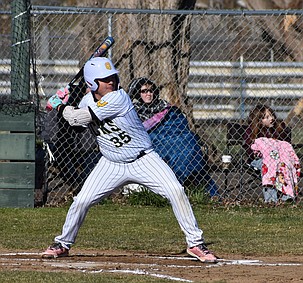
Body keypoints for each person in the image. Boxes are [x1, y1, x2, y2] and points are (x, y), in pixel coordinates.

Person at [41, 57, 218, 263]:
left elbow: (78, 118)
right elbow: (77, 126)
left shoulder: (119, 97)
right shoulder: (87, 101)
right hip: (110, 163)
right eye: (104, 79)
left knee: (175, 191)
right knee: (82, 201)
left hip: (143, 159)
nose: (111, 81)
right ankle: (63, 243)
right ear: (92, 83)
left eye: (112, 77)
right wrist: (66, 102)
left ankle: (195, 243)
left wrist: (60, 108)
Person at [127, 77, 218, 197]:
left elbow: (180, 125)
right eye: (144, 91)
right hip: (154, 142)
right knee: (176, 149)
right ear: (137, 93)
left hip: (176, 139)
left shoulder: (166, 108)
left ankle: (194, 187)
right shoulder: (133, 112)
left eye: (151, 90)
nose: (148, 94)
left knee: (189, 140)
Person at [243, 104, 299, 203]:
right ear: (259, 120)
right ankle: (271, 200)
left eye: (272, 115)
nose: (272, 118)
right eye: (267, 117)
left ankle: (287, 196)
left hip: (278, 160)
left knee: (285, 165)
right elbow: (250, 150)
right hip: (258, 160)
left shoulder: (278, 130)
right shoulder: (251, 132)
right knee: (269, 166)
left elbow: (283, 147)